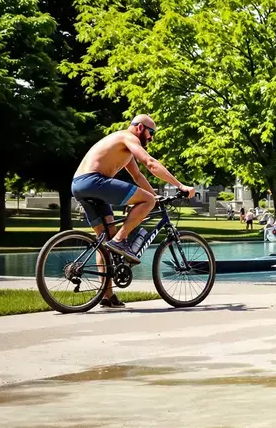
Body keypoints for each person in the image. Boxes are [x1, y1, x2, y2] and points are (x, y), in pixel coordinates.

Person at [70, 114, 195, 307]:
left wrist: (154, 196)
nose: (151, 138)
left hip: (79, 185)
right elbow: (150, 163)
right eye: (151, 132)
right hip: (94, 181)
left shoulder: (123, 145)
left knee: (105, 239)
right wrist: (180, 185)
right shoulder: (128, 137)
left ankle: (107, 296)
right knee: (135, 215)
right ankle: (121, 240)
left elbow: (137, 176)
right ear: (140, 128)